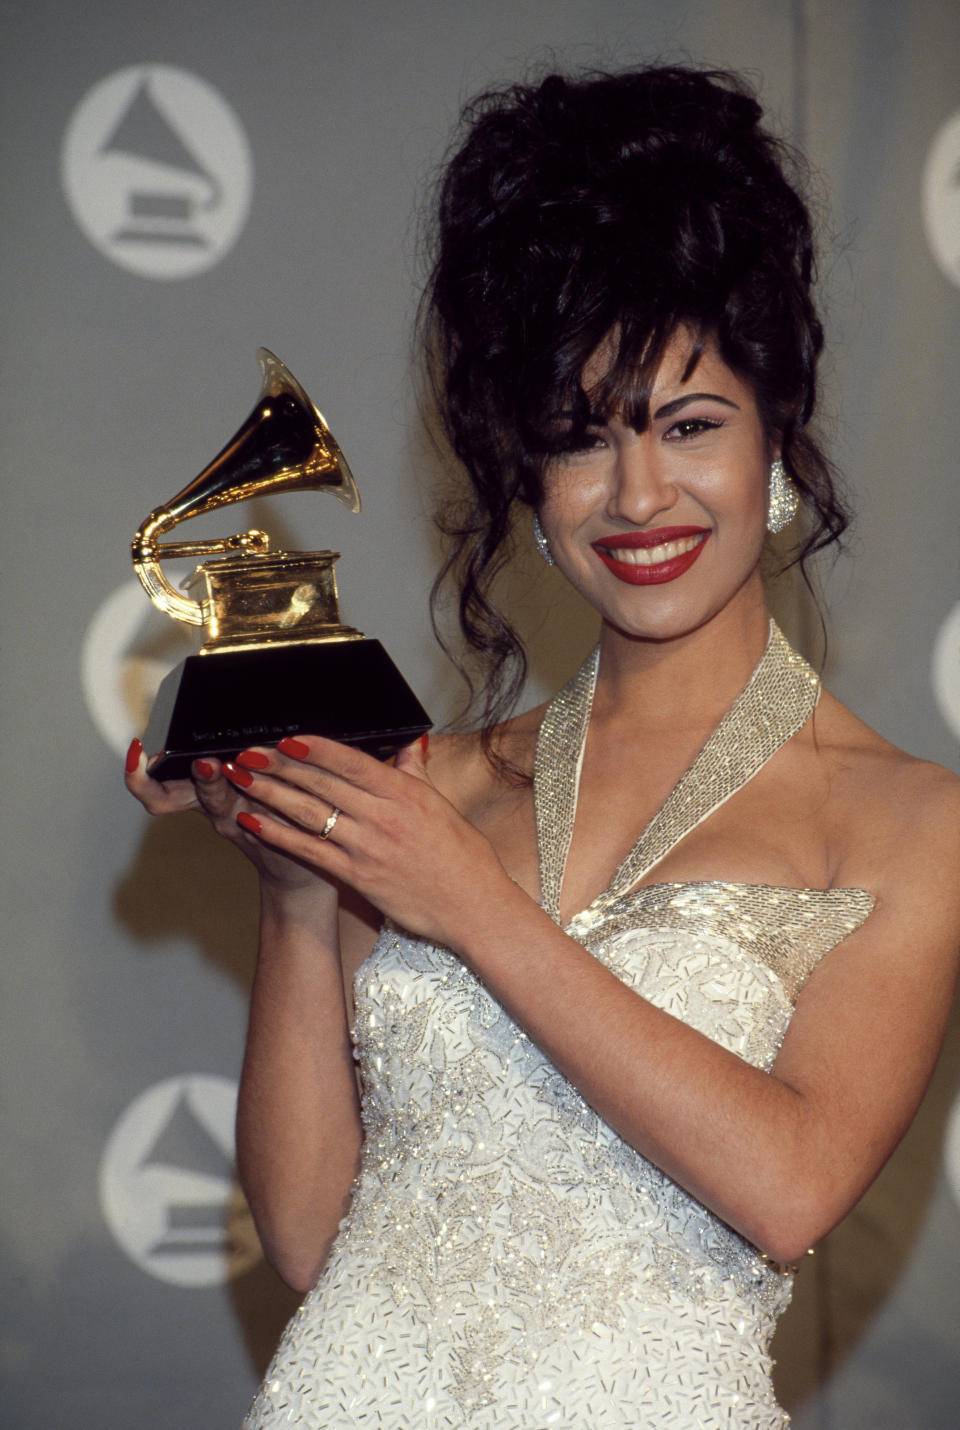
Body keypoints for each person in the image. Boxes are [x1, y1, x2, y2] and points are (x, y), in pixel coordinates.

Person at [127, 65, 960, 1429]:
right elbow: (313, 1242)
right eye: (579, 443)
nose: (637, 496)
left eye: (689, 425)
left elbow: (792, 1183)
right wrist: (295, 894)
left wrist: (471, 905)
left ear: (774, 441)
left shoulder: (906, 821)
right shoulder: (436, 787)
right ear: (527, 476)